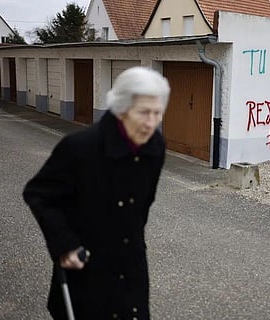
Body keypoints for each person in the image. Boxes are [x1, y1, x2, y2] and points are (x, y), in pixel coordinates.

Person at [23, 66, 170, 320]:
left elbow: (143, 206)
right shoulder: (80, 147)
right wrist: (65, 245)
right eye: (144, 113)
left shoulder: (155, 148)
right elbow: (38, 194)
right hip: (87, 268)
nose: (151, 123)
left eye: (157, 113)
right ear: (121, 109)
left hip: (131, 264)